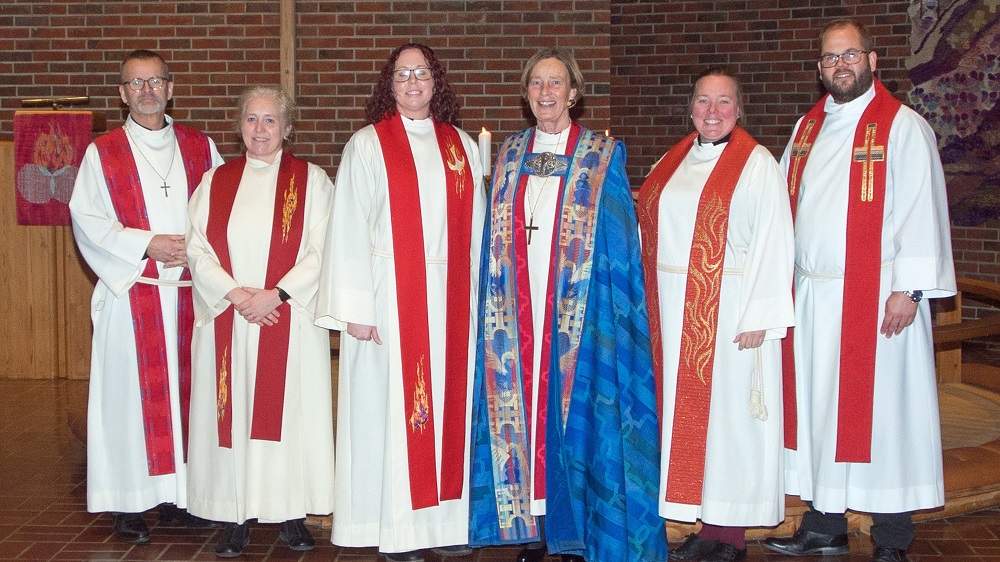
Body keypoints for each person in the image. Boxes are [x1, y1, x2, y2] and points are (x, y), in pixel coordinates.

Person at [762, 19, 956, 562]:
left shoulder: (902, 127)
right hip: (814, 297)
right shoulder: (806, 130)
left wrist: (911, 290)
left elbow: (922, 208)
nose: (839, 65)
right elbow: (778, 208)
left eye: (849, 55)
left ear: (873, 61)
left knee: (885, 419)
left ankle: (892, 537)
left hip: (877, 300)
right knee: (822, 415)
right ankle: (825, 525)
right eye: (829, 58)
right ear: (820, 68)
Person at [468, 47, 666, 562]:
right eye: (536, 83)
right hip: (516, 311)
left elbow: (622, 240)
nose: (546, 92)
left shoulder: (601, 156)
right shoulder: (511, 154)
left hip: (578, 314)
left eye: (556, 83)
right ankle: (531, 529)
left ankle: (574, 527)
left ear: (574, 94)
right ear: (526, 93)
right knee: (522, 409)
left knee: (575, 414)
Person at [314, 44, 486, 562]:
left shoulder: (460, 146)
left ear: (437, 82)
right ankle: (396, 528)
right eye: (403, 73)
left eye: (423, 72)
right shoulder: (367, 146)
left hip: (453, 297)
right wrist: (357, 310)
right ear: (389, 84)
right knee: (391, 413)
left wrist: (483, 299)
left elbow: (478, 230)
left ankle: (446, 524)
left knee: (450, 410)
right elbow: (346, 228)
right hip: (389, 297)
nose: (413, 81)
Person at [637, 67, 794, 562]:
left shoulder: (757, 164)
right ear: (690, 109)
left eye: (723, 102)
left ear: (739, 109)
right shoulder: (672, 160)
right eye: (703, 102)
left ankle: (730, 536)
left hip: (728, 315)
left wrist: (760, 315)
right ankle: (705, 528)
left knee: (728, 425)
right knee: (686, 423)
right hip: (670, 310)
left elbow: (776, 240)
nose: (712, 112)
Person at [69, 49, 224, 544]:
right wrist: (147, 244)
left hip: (189, 296)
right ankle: (129, 503)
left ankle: (184, 498)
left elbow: (224, 210)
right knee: (127, 403)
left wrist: (198, 252)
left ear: (171, 88)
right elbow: (88, 221)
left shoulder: (201, 147)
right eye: (136, 84)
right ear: (122, 94)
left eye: (156, 81)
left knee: (191, 400)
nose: (147, 90)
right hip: (133, 292)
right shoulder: (103, 151)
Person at [184, 86, 336, 558]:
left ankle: (291, 512)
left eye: (271, 120)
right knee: (232, 414)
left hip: (286, 315)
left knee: (289, 415)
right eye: (252, 119)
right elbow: (196, 248)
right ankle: (235, 513)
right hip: (231, 315)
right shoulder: (215, 181)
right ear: (239, 126)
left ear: (288, 128)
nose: (260, 129)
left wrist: (277, 293)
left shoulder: (313, 182)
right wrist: (234, 294)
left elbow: (323, 247)